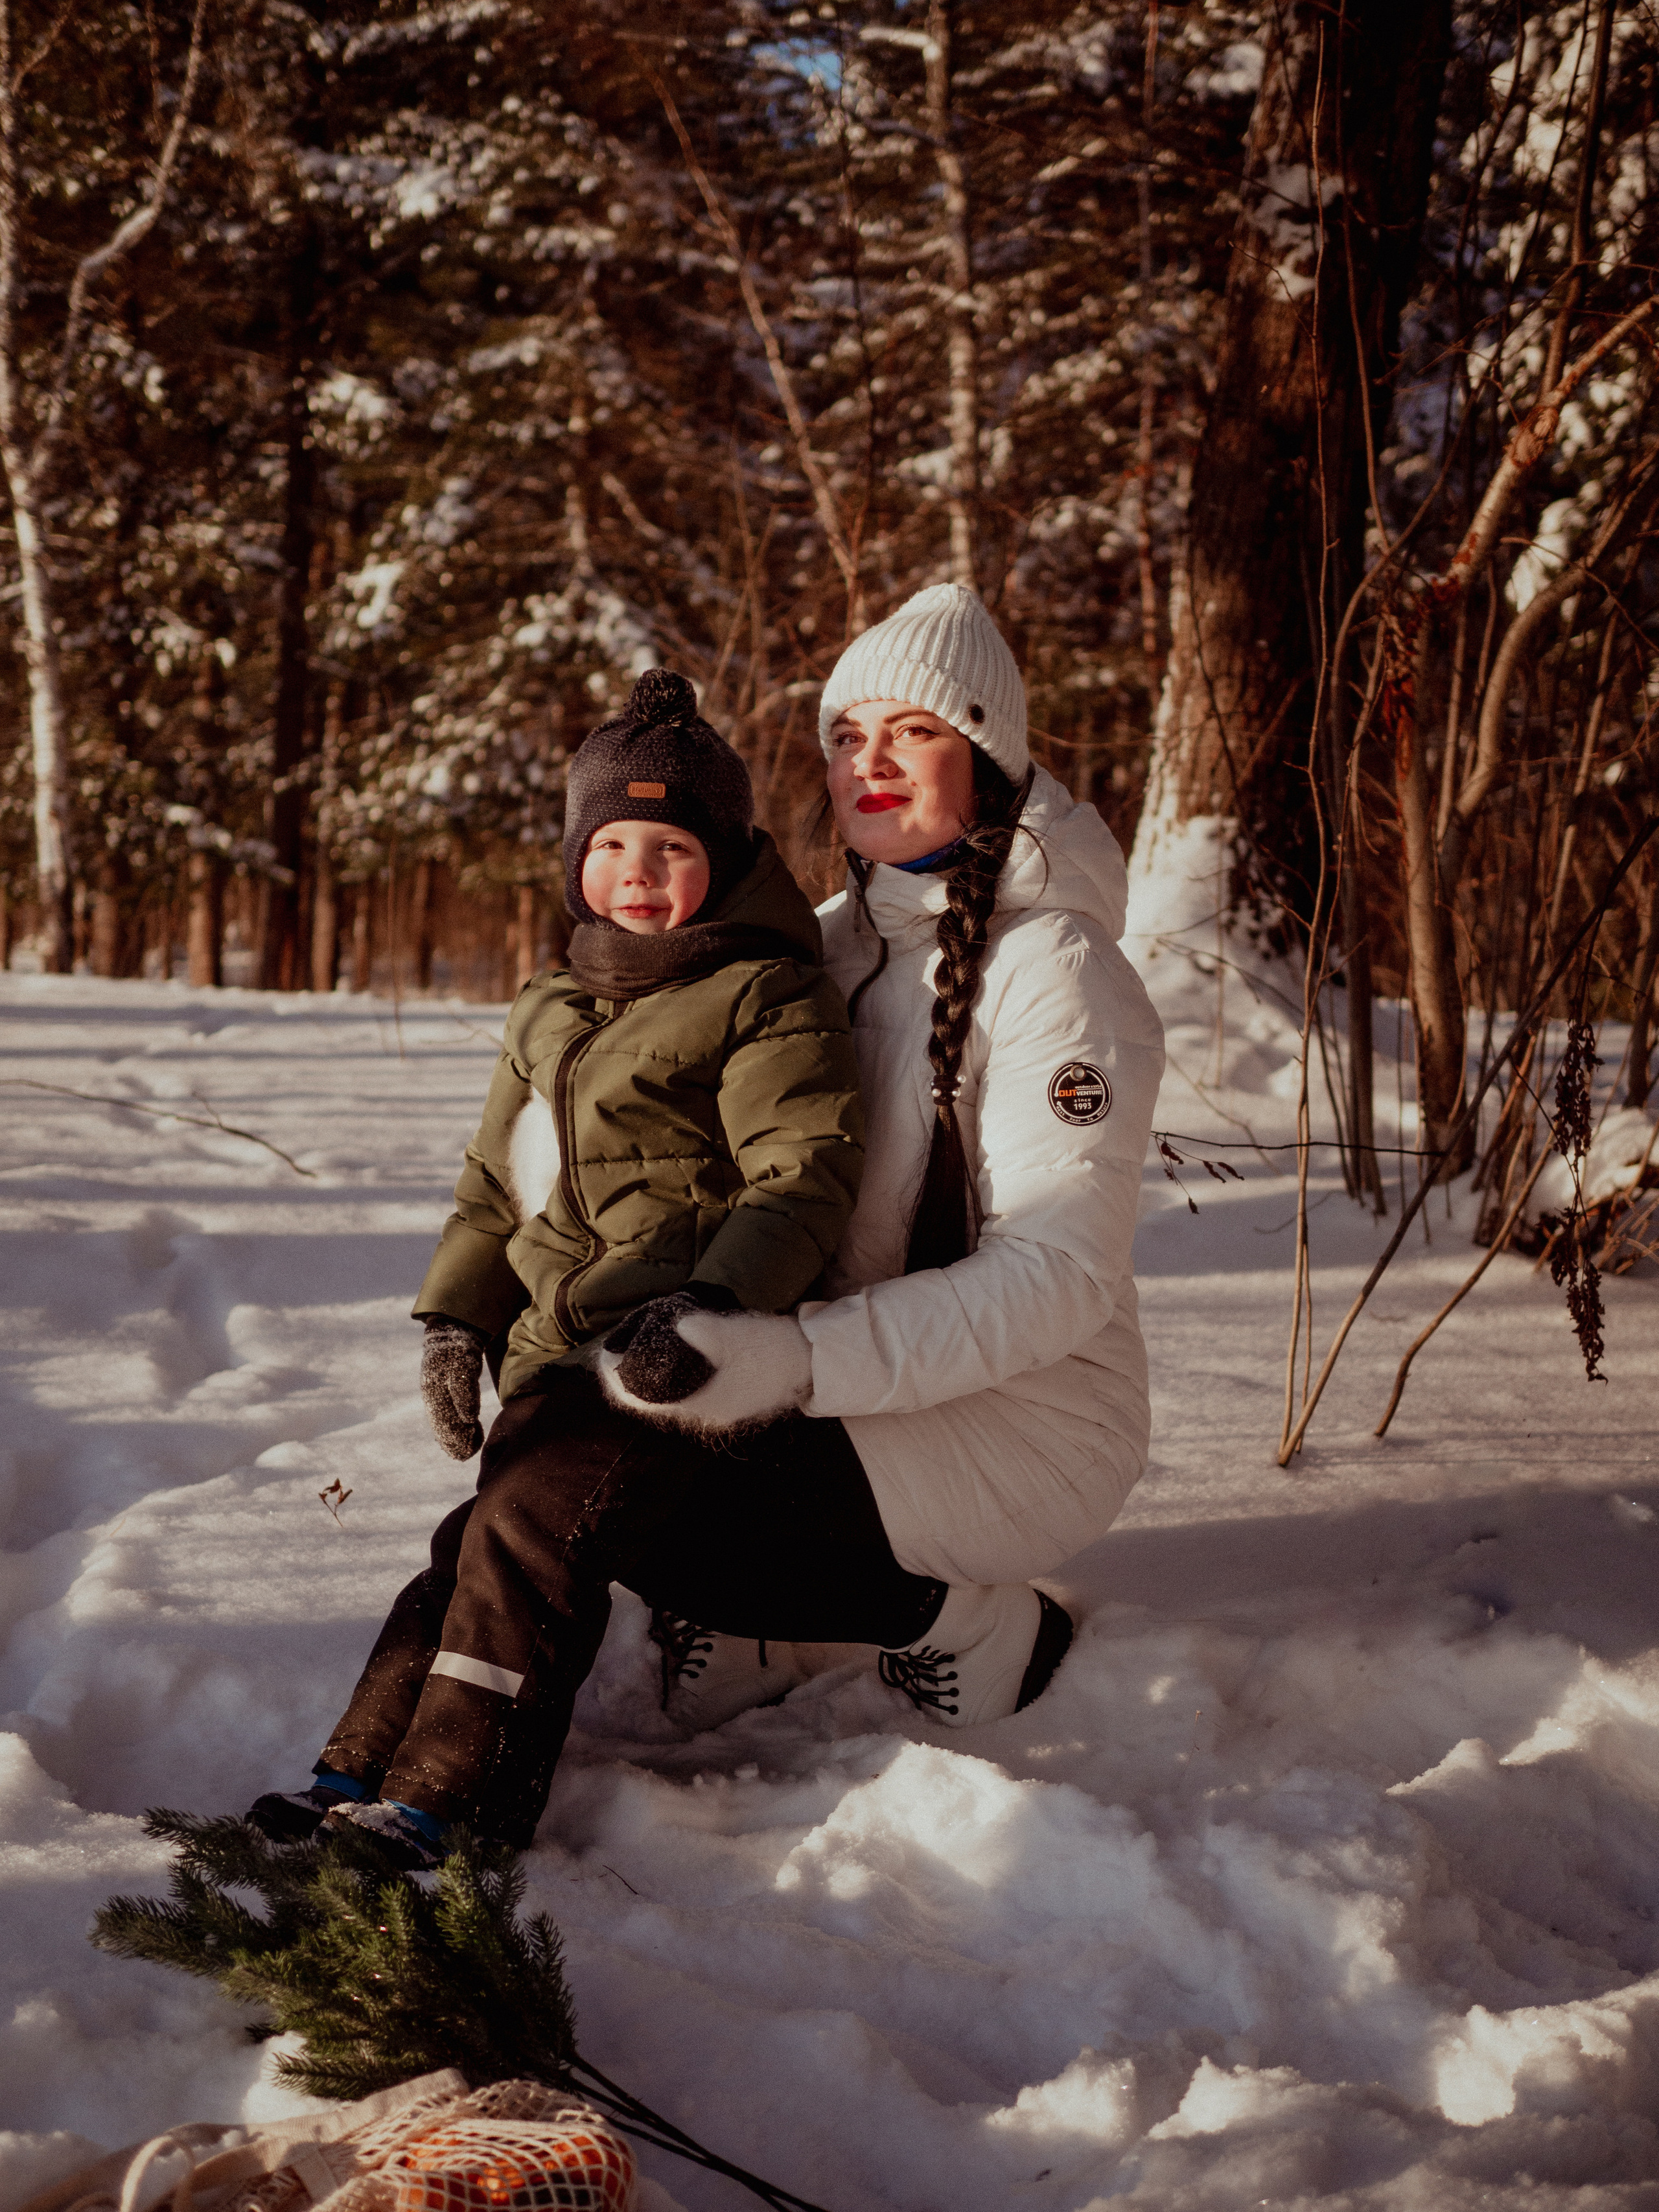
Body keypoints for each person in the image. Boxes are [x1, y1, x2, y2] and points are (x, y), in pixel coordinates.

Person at [248, 587, 1163, 1870]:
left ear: (992, 760)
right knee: (542, 1488)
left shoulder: (1055, 973)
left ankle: (961, 1620)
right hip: (811, 1372)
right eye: (846, 737)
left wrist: (777, 1359)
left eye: (914, 734)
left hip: (1020, 1421)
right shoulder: (821, 944)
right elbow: (568, 1156)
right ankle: (381, 1769)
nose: (870, 765)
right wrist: (478, 1302)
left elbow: (1054, 1279)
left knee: (595, 1505)